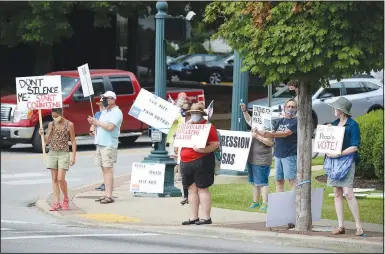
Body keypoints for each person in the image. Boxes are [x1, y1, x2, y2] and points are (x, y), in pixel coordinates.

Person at [324, 97, 364, 236]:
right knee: (337, 193)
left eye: (336, 108)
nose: (334, 110)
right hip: (334, 163)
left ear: (341, 110)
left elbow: (355, 146)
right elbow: (328, 141)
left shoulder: (353, 125)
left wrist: (338, 154)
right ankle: (341, 226)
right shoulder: (334, 124)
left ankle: (359, 226)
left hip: (346, 162)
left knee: (348, 193)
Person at [180, 102, 219, 225]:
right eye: (192, 113)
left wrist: (203, 150)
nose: (194, 116)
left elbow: (215, 144)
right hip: (186, 162)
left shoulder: (208, 126)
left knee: (202, 188)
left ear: (202, 114)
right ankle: (193, 217)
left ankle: (206, 217)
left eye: (196, 113)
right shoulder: (187, 125)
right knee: (191, 189)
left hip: (202, 161)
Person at [87, 91, 123, 204]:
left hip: (109, 144)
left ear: (112, 99)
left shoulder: (117, 112)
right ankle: (106, 193)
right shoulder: (104, 112)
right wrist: (94, 126)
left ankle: (109, 195)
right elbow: (101, 124)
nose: (104, 101)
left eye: (106, 99)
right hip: (100, 143)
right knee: (104, 169)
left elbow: (109, 127)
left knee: (108, 169)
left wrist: (96, 122)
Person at [255, 98, 298, 192]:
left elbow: (285, 133)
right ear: (284, 108)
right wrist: (258, 132)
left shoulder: (296, 121)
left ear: (296, 109)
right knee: (279, 181)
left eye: (293, 107)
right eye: (288, 106)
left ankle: (295, 203)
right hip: (278, 155)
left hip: (290, 155)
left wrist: (268, 134)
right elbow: (270, 136)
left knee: (292, 180)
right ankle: (281, 204)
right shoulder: (280, 121)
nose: (290, 108)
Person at [39, 108, 76, 211]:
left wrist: (73, 156)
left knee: (61, 178)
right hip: (52, 153)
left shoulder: (69, 125)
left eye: (56, 116)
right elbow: (48, 141)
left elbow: (73, 141)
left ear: (61, 114)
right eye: (53, 117)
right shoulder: (51, 124)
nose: (54, 118)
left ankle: (65, 198)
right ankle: (56, 202)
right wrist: (43, 134)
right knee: (54, 179)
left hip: (64, 153)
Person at [240, 103, 274, 212]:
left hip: (262, 160)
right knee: (254, 182)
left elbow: (270, 143)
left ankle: (266, 203)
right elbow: (248, 120)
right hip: (252, 158)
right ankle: (255, 202)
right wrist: (245, 111)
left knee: (262, 182)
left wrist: (257, 136)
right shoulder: (255, 125)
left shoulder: (269, 128)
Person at [90, 98, 105, 192]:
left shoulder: (108, 115)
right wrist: (92, 129)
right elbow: (93, 125)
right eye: (99, 105)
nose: (100, 107)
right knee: (102, 164)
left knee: (106, 165)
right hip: (98, 141)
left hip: (105, 142)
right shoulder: (97, 114)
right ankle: (104, 182)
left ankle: (106, 183)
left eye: (102, 105)